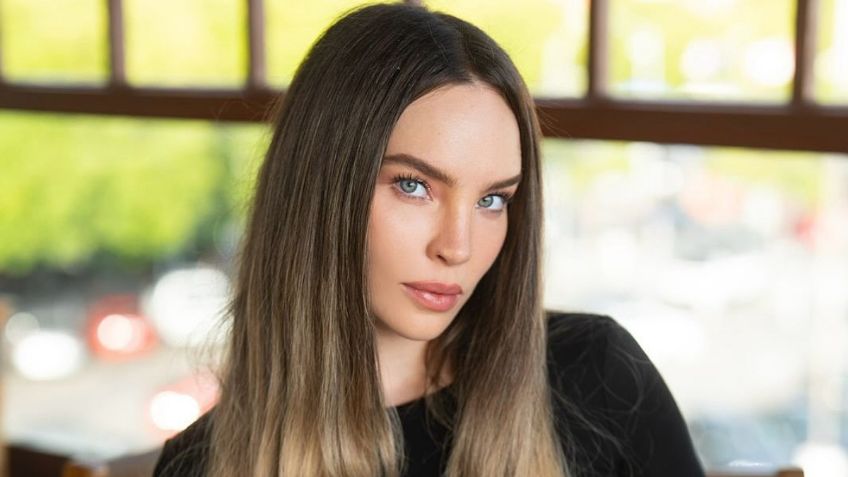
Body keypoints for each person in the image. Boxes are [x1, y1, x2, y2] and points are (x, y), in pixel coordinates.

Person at [153, 2, 705, 476]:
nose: (457, 247)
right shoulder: (197, 465)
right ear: (321, 189)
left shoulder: (597, 376)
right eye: (414, 186)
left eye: (493, 200)